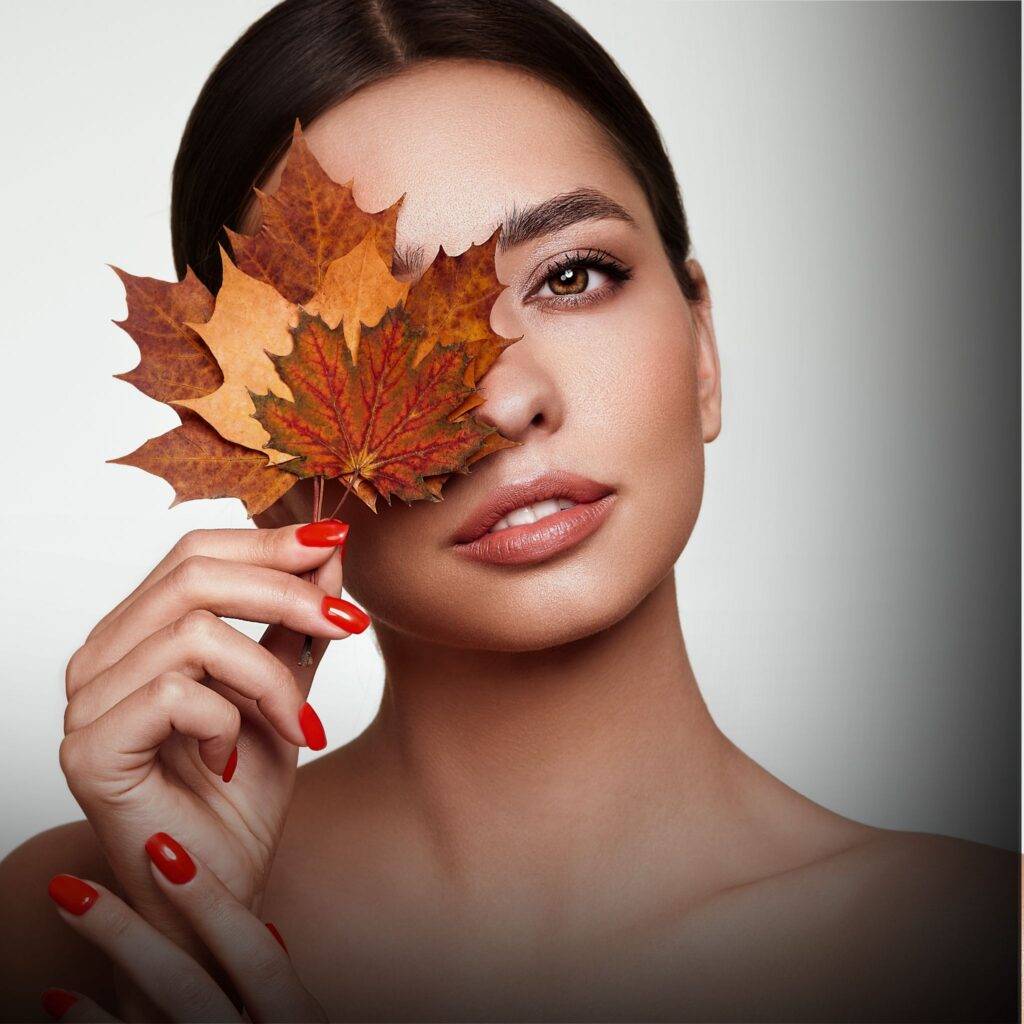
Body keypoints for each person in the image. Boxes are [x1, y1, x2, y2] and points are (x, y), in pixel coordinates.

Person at [1, 1, 1016, 1021]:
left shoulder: (978, 945)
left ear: (702, 348)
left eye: (573, 276)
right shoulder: (81, 928)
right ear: (254, 436)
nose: (505, 399)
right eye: (379, 334)